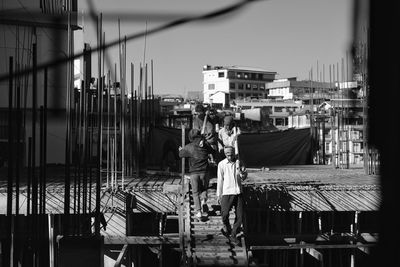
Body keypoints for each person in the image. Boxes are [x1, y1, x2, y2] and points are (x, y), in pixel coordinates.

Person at [179, 128, 215, 219]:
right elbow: (212, 151)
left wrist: (181, 150)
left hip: (194, 173)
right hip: (205, 172)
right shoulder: (205, 144)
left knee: (195, 193)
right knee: (204, 189)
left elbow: (181, 155)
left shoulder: (189, 147)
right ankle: (204, 201)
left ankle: (198, 212)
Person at [217, 146, 247, 246]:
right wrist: (219, 194)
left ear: (234, 153)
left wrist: (242, 173)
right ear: (225, 154)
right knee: (224, 214)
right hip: (227, 192)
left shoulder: (239, 162)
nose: (229, 156)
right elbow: (220, 180)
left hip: (238, 192)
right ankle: (227, 227)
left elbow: (243, 177)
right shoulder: (221, 164)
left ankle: (233, 235)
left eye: (231, 154)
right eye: (227, 154)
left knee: (240, 216)